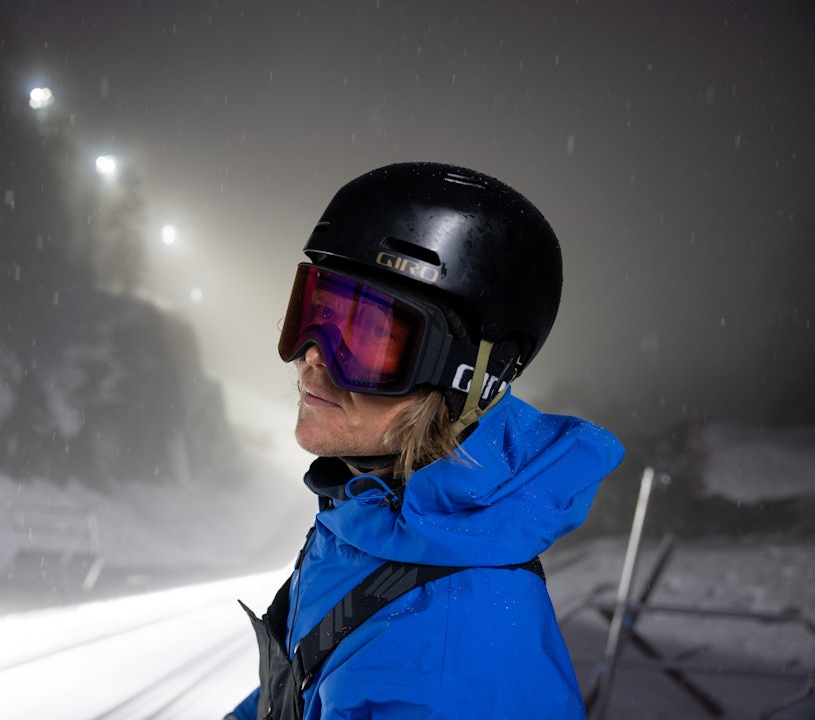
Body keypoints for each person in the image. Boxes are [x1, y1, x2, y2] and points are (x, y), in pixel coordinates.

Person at [226, 162, 625, 720]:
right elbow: (302, 690)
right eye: (315, 314)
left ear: (466, 379)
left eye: (367, 339)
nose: (313, 355)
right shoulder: (379, 513)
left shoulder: (444, 673)